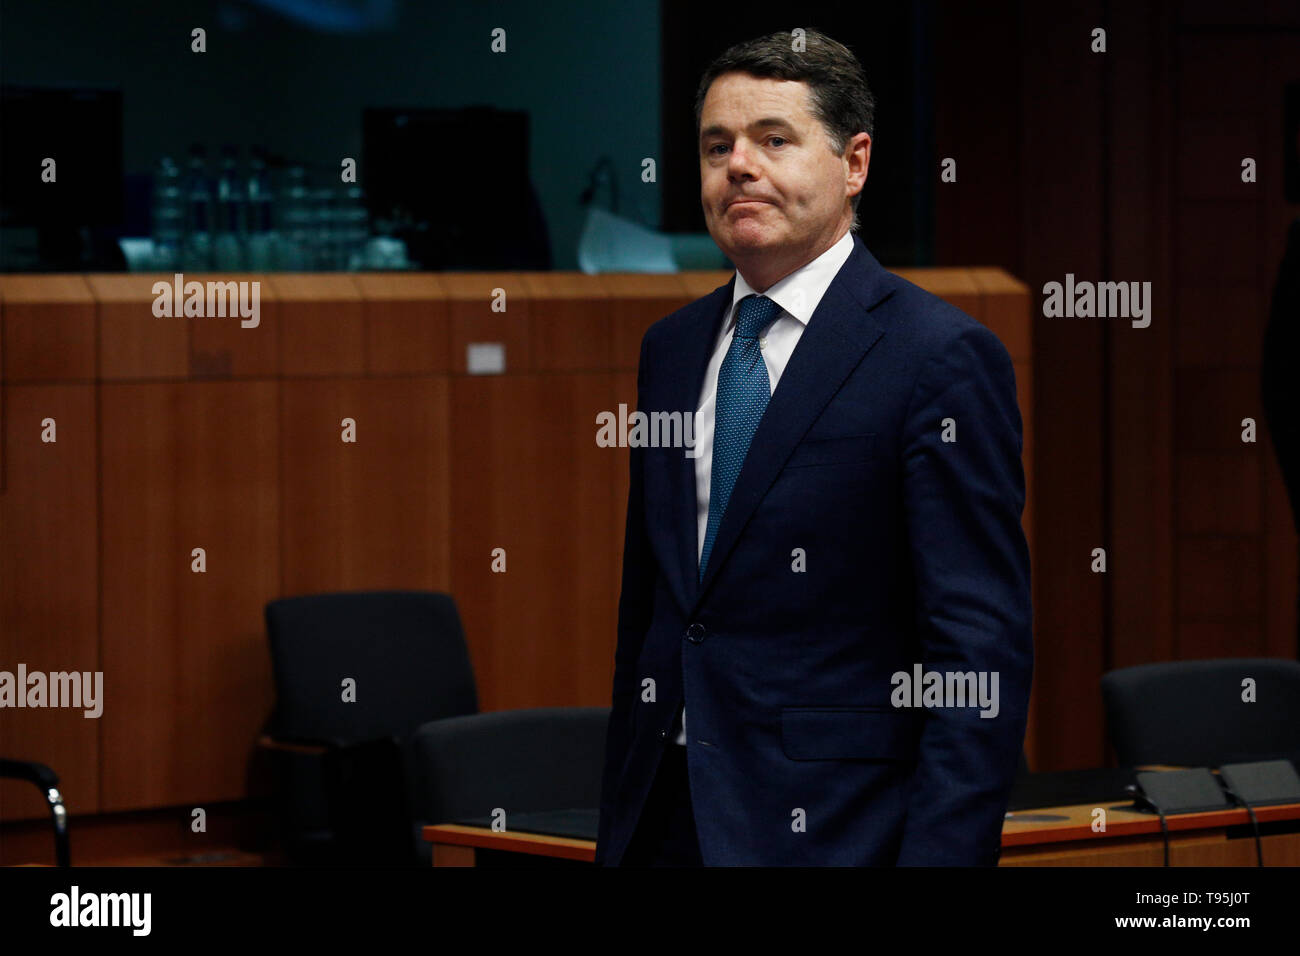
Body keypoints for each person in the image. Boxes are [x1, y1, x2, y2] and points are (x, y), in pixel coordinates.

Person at [595, 28, 1033, 866]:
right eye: (716, 146)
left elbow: (977, 652)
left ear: (854, 163)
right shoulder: (673, 348)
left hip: (839, 828)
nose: (738, 167)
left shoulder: (936, 357)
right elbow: (652, 613)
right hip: (666, 817)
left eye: (773, 140)